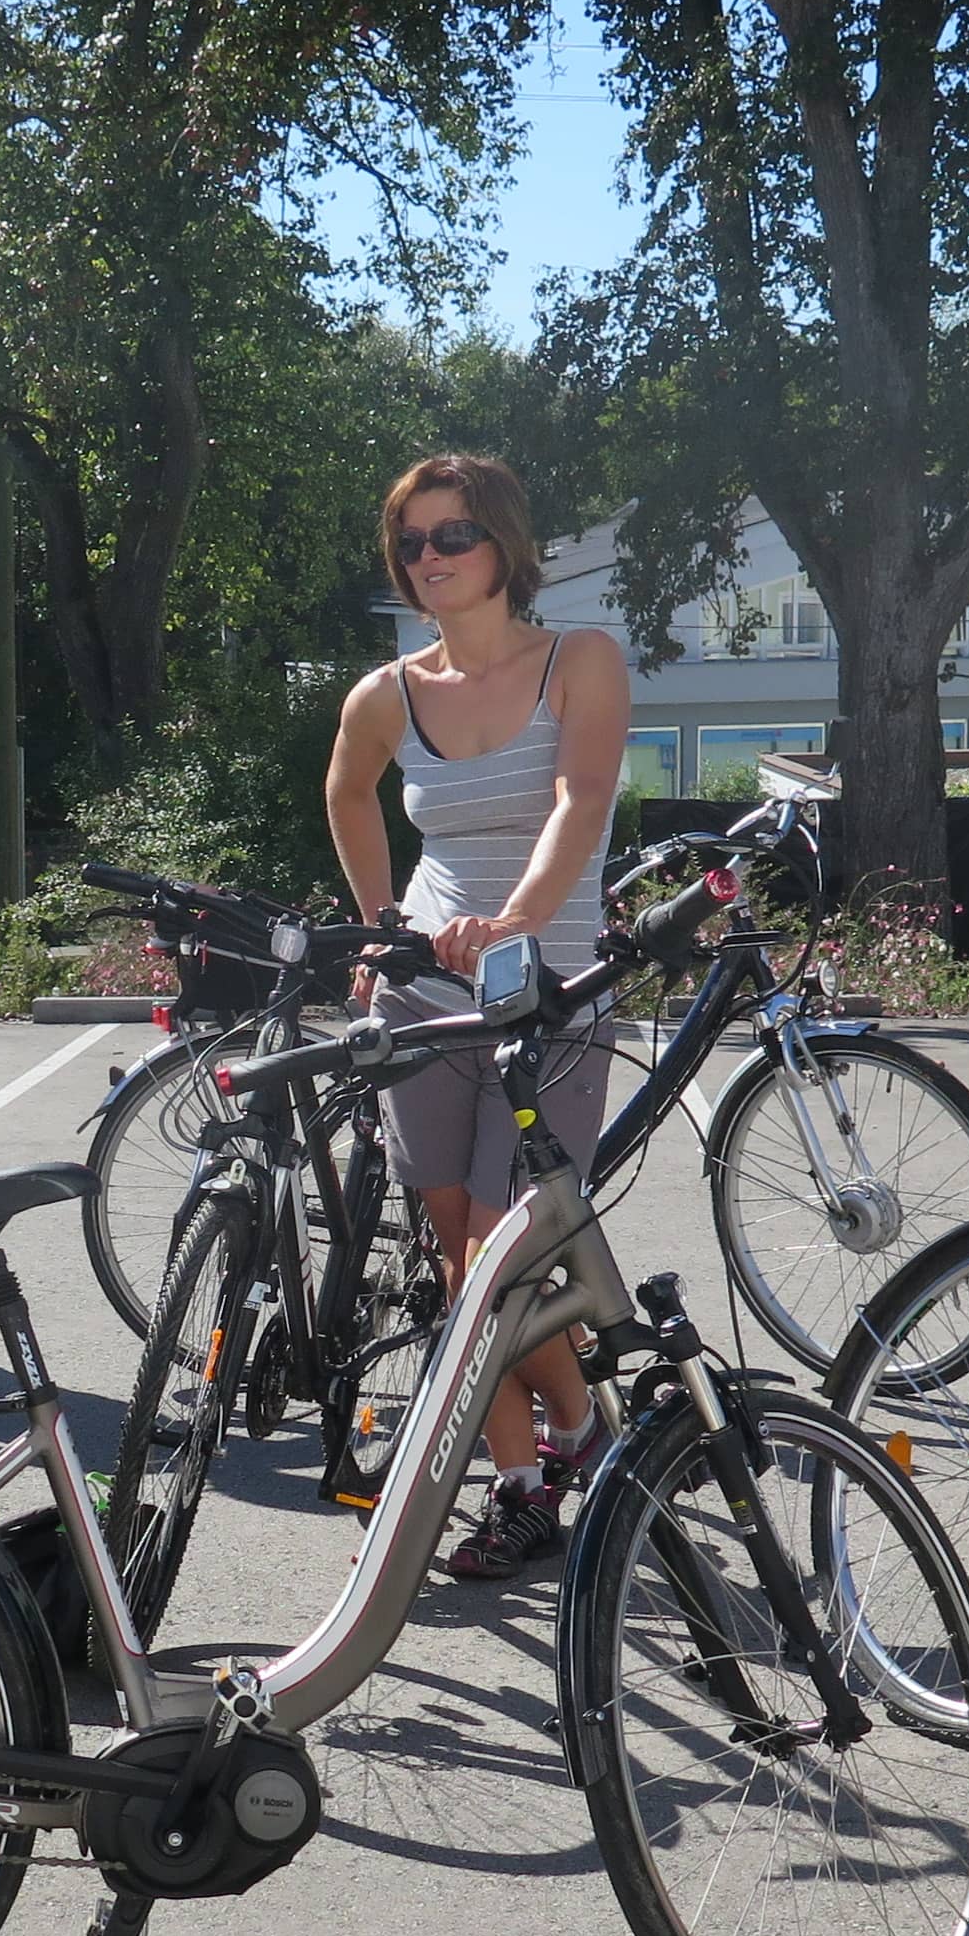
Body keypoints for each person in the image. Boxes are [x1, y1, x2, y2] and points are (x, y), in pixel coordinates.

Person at [323, 453, 631, 1581]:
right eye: (410, 542)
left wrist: (516, 921)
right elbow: (346, 792)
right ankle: (532, 1475)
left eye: (452, 535)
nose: (430, 558)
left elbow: (580, 799)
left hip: (547, 991)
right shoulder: (387, 694)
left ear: (503, 543)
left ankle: (583, 1439)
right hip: (425, 1001)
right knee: (460, 1255)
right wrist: (376, 923)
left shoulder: (578, 661)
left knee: (494, 1259)